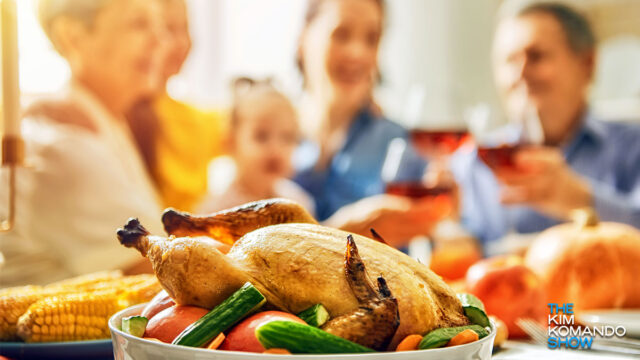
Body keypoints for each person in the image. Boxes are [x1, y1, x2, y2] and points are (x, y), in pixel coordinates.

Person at [0, 0, 166, 286]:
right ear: (72, 36)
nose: (159, 40)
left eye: (158, 25)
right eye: (138, 23)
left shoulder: (107, 120)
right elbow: (162, 267)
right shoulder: (64, 144)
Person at [451, 1, 640, 251]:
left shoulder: (632, 148)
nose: (520, 73)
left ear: (587, 65)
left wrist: (579, 199)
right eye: (509, 60)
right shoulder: (472, 162)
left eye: (536, 56)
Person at [294, 0, 434, 248]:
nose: (358, 53)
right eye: (341, 34)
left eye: (371, 39)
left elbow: (447, 242)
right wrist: (345, 231)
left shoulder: (400, 143)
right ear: (304, 38)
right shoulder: (265, 134)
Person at [126, 0, 227, 212]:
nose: (182, 42)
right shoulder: (121, 115)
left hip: (193, 239)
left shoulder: (196, 119)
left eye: (186, 28)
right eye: (169, 29)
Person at [198, 78, 314, 214]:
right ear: (231, 143)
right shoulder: (216, 210)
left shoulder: (298, 203)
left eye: (287, 137)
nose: (276, 150)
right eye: (261, 137)